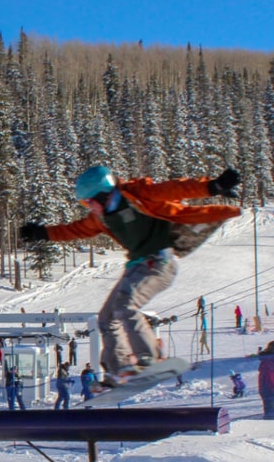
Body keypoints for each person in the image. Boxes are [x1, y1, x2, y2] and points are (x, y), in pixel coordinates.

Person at [20, 165, 241, 385]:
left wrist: (213, 186)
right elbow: (76, 229)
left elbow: (174, 189)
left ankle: (149, 358)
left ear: (103, 195)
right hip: (136, 266)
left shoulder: (137, 194)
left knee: (125, 305)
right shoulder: (101, 218)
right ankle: (121, 368)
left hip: (159, 262)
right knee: (107, 317)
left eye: (89, 202)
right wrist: (43, 233)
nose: (89, 207)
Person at [258, 341, 274, 419]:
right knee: (270, 414)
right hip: (270, 388)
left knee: (269, 410)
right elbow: (271, 375)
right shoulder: (270, 361)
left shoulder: (266, 360)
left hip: (265, 388)